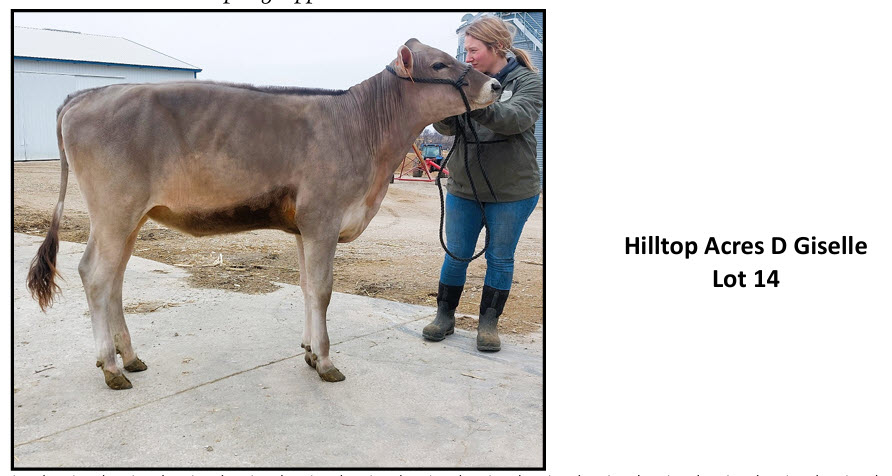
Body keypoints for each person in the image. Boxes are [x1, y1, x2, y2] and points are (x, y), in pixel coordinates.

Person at [423, 15, 543, 352]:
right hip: (465, 186)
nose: (468, 57)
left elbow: (516, 118)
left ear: (497, 47)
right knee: (456, 254)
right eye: (465, 50)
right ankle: (444, 316)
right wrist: (442, 107)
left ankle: (488, 324)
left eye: (474, 50)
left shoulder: (528, 81)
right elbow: (448, 128)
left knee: (500, 258)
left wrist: (472, 100)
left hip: (512, 191)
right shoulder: (464, 80)